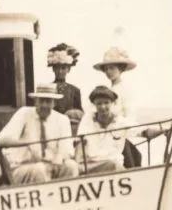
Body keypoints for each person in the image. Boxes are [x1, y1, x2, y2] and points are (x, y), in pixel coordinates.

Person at [93, 32, 165, 168]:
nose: (109, 71)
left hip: (120, 132)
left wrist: (143, 131)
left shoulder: (124, 90)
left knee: (133, 157)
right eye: (107, 68)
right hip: (106, 134)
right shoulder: (108, 91)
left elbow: (129, 117)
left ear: (120, 69)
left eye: (112, 68)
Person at [0, 83, 79, 184]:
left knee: (71, 166)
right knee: (40, 169)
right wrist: (27, 142)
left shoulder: (62, 120)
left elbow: (67, 149)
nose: (44, 105)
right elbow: (0, 140)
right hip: (24, 167)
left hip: (52, 165)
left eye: (48, 101)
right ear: (35, 101)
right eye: (41, 101)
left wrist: (59, 157)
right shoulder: (24, 113)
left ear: (54, 103)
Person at [76, 85, 130, 174]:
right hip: (90, 165)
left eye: (106, 102)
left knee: (114, 164)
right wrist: (76, 163)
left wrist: (161, 130)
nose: (103, 106)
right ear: (94, 104)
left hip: (113, 166)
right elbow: (81, 142)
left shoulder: (121, 122)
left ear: (112, 103)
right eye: (99, 103)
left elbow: (143, 131)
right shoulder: (87, 119)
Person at [47, 44, 84, 127]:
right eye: (57, 68)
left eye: (63, 68)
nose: (60, 71)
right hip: (52, 125)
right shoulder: (48, 89)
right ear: (53, 69)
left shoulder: (74, 90)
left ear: (69, 69)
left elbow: (79, 111)